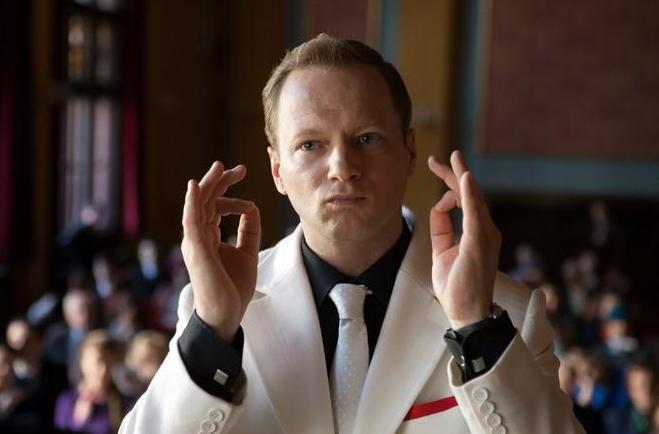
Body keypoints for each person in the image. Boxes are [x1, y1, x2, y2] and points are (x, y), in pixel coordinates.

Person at [120, 34, 585, 433]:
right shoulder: (209, 309)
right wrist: (214, 330)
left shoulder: (508, 314)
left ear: (408, 150)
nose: (342, 168)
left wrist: (475, 326)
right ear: (277, 169)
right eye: (310, 145)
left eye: (366, 138)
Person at [54, 330, 126, 434]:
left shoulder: (125, 402)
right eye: (98, 361)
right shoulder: (67, 401)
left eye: (110, 362)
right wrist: (78, 421)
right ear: (82, 362)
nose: (104, 370)